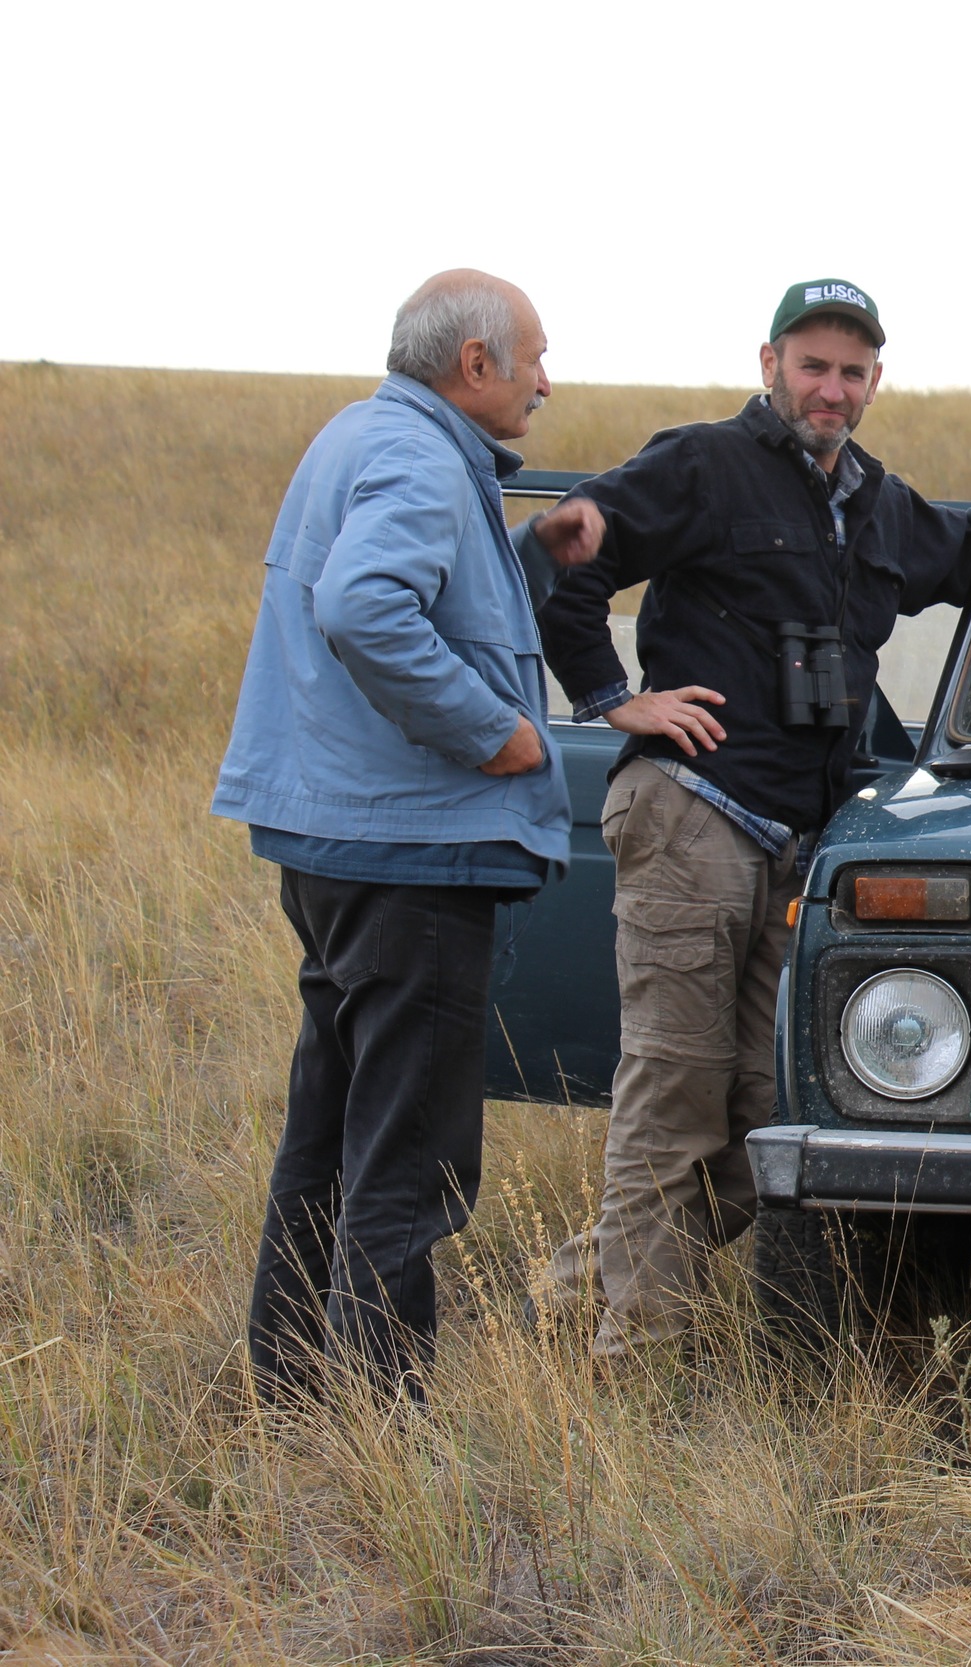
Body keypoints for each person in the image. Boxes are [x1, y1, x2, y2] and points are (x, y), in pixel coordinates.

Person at [530, 277, 971, 1357]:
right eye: (812, 365)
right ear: (768, 365)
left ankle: (574, 1291)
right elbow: (571, 554)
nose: (830, 389)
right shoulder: (700, 463)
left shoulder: (877, 504)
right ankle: (633, 1358)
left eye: (851, 371)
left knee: (781, 1112)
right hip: (692, 814)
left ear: (875, 382)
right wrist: (614, 699)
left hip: (797, 844)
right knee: (673, 1096)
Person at [213, 270, 605, 1404]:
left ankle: (290, 1390)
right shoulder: (424, 460)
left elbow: (426, 598)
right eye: (533, 355)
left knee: (331, 1130)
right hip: (411, 850)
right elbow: (364, 605)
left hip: (338, 840)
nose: (547, 377)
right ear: (472, 364)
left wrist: (532, 557)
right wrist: (495, 736)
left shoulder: (367, 435)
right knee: (411, 1151)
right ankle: (386, 1425)